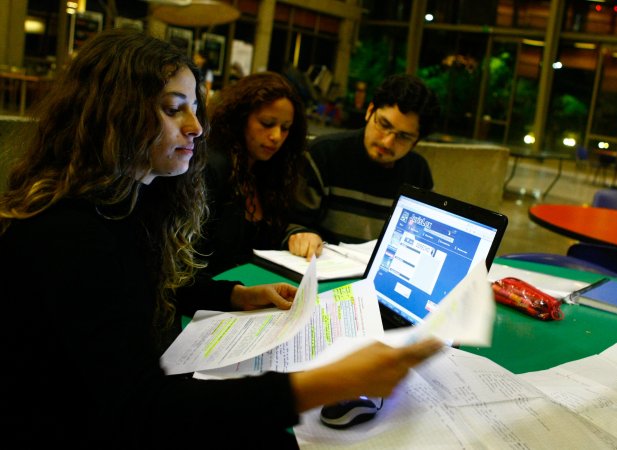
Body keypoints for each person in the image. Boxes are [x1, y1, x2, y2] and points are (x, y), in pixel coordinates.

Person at [0, 29, 442, 448]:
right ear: (112, 114)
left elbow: (134, 292)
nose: (196, 127)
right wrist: (328, 383)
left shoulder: (124, 204)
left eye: (195, 107)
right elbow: (141, 410)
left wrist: (235, 295)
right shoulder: (67, 234)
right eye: (173, 109)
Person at [287, 73, 441, 259]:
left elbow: (423, 241)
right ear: (369, 111)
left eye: (403, 137)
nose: (387, 142)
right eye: (384, 124)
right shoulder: (322, 154)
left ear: (416, 141)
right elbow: (290, 223)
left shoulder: (419, 173)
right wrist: (300, 235)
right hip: (322, 270)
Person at [200, 71, 307, 277]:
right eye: (267, 123)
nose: (276, 136)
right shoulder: (213, 168)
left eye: (285, 128)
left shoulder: (271, 172)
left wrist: (300, 234)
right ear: (240, 118)